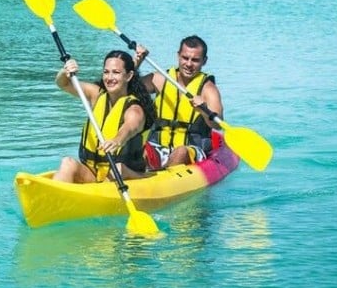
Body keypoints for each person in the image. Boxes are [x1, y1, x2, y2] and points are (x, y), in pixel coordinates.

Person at [52, 49, 156, 184]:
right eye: (106, 72)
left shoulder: (135, 109)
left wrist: (117, 140)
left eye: (116, 72)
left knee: (117, 169)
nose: (109, 78)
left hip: (126, 175)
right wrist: (65, 72)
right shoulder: (96, 94)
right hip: (95, 173)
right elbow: (63, 84)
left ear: (129, 76)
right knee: (68, 163)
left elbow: (130, 127)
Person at [138, 35, 224, 170]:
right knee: (139, 149)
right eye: (185, 58)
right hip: (159, 145)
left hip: (192, 149)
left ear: (204, 61)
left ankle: (164, 183)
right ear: (178, 56)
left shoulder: (208, 89)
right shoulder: (161, 79)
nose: (189, 64)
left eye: (195, 60)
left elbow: (218, 124)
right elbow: (129, 90)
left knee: (181, 152)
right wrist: (137, 61)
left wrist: (203, 109)